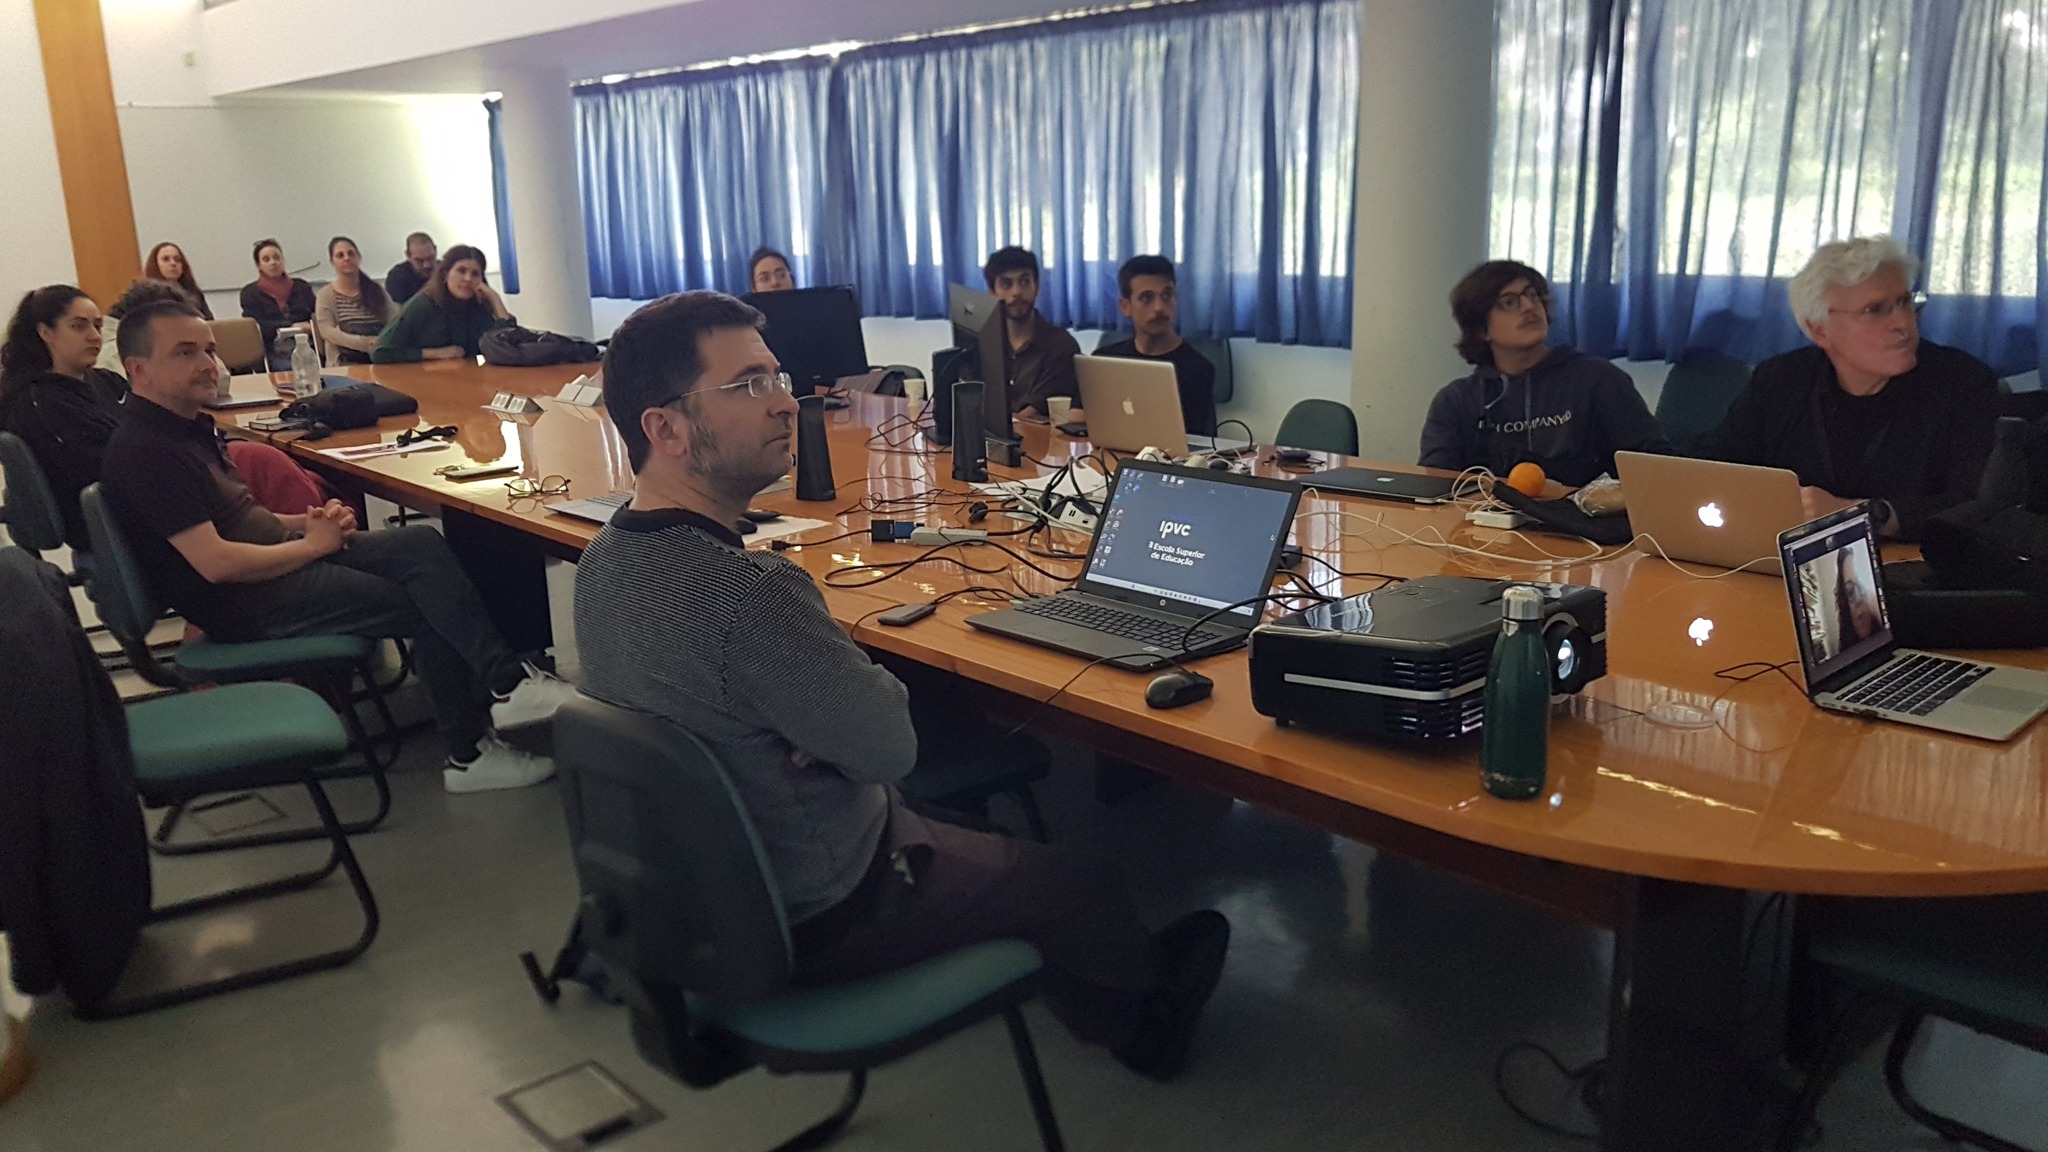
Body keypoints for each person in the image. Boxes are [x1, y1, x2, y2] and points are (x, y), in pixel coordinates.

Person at [574, 290, 1231, 1081]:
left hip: (708, 905)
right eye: (749, 385)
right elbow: (890, 746)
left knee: (963, 822)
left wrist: (815, 725)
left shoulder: (604, 560)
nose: (784, 402)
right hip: (826, 907)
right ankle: (1141, 1025)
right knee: (1082, 884)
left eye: (777, 377)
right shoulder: (752, 596)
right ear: (665, 428)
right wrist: (846, 698)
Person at [99, 299, 575, 791]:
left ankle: (507, 684)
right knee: (428, 601)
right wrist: (311, 546)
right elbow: (217, 564)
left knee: (420, 543)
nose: (206, 363)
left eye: (208, 349)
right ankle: (469, 753)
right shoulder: (148, 452)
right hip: (245, 601)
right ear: (139, 369)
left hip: (273, 564)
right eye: (185, 352)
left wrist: (310, 523)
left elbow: (241, 520)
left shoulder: (184, 427)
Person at [1698, 236, 1999, 541]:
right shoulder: (1780, 379)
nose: (1903, 323)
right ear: (1818, 330)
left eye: (1905, 302)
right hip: (1783, 558)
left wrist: (1861, 514)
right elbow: (1715, 464)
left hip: (1910, 563)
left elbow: (1981, 504)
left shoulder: (1964, 383)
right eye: (1875, 310)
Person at [1419, 260, 1670, 488]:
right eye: (1510, 302)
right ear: (1480, 329)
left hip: (1584, 520)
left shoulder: (1598, 379)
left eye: (1533, 295)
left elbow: (1657, 467)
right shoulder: (1456, 401)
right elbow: (1434, 486)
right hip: (1482, 522)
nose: (1529, 307)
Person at [1, 286, 126, 549]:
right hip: (113, 525)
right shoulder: (40, 403)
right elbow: (107, 468)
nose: (94, 336)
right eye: (79, 326)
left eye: (97, 325)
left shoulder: (106, 381)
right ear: (46, 332)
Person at [1093, 255, 1217, 437]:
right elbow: (1077, 417)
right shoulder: (1104, 360)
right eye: (1146, 298)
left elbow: (1192, 441)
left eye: (1166, 296)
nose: (1159, 307)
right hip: (1109, 450)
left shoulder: (1197, 369)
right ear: (1126, 306)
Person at [373, 245, 514, 364]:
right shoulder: (423, 304)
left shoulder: (478, 307)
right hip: (424, 380)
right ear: (446, 274)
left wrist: (495, 299)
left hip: (466, 379)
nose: (468, 279)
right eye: (461, 271)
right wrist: (435, 353)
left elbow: (509, 349)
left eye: (475, 274)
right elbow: (380, 352)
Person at [983, 246, 1080, 417]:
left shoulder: (1061, 345)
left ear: (1037, 287)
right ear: (992, 293)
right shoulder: (984, 343)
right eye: (1006, 285)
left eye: (1024, 282)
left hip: (1036, 433)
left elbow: (1033, 412)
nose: (1017, 292)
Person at [315, 236, 399, 365]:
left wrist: (384, 343)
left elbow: (395, 321)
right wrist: (365, 344)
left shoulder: (376, 289)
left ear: (359, 257)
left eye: (351, 253)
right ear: (332, 262)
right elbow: (326, 331)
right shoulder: (326, 295)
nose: (346, 258)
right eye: (340, 255)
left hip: (381, 357)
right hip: (345, 362)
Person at [239, 238, 316, 362]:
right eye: (266, 259)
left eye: (276, 258)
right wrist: (291, 326)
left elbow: (316, 315)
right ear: (259, 265)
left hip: (308, 343)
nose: (273, 263)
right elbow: (255, 327)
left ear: (283, 260)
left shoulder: (302, 287)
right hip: (273, 348)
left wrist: (310, 326)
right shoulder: (250, 293)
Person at [141, 241, 213, 319]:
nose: (173, 263)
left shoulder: (193, 291)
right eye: (166, 259)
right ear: (155, 264)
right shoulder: (148, 296)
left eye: (177, 259)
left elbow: (210, 321)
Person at [386, 232, 438, 305]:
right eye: (419, 261)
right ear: (408, 255)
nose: (427, 265)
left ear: (435, 250)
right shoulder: (396, 277)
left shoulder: (447, 271)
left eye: (430, 258)